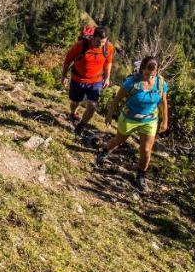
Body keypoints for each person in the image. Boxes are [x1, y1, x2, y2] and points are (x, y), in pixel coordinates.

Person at [96, 56, 169, 194]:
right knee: (119, 140)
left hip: (150, 120)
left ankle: (141, 175)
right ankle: (104, 150)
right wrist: (109, 114)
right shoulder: (132, 83)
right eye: (147, 73)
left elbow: (163, 102)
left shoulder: (160, 83)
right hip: (129, 118)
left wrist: (165, 121)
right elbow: (117, 99)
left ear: (157, 71)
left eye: (153, 74)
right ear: (142, 69)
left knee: (146, 150)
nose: (149, 76)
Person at [60, 25, 113, 141]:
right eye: (98, 41)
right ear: (92, 38)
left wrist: (107, 77)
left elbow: (108, 62)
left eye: (103, 42)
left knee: (92, 106)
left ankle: (81, 126)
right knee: (75, 102)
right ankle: (73, 113)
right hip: (78, 79)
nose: (100, 44)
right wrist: (64, 75)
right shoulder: (81, 45)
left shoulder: (108, 48)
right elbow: (68, 60)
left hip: (96, 81)